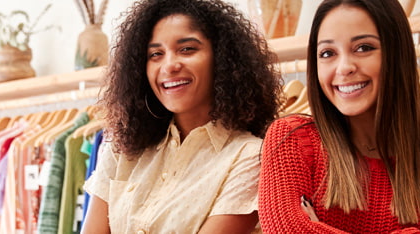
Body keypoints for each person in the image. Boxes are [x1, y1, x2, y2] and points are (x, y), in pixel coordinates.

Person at [257, 0, 420, 233]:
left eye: (363, 48)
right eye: (327, 53)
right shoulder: (292, 139)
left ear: (397, 54)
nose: (344, 67)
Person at [81, 0, 282, 233]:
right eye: (156, 54)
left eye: (187, 49)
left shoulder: (252, 157)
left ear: (223, 58)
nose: (169, 65)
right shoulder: (121, 149)